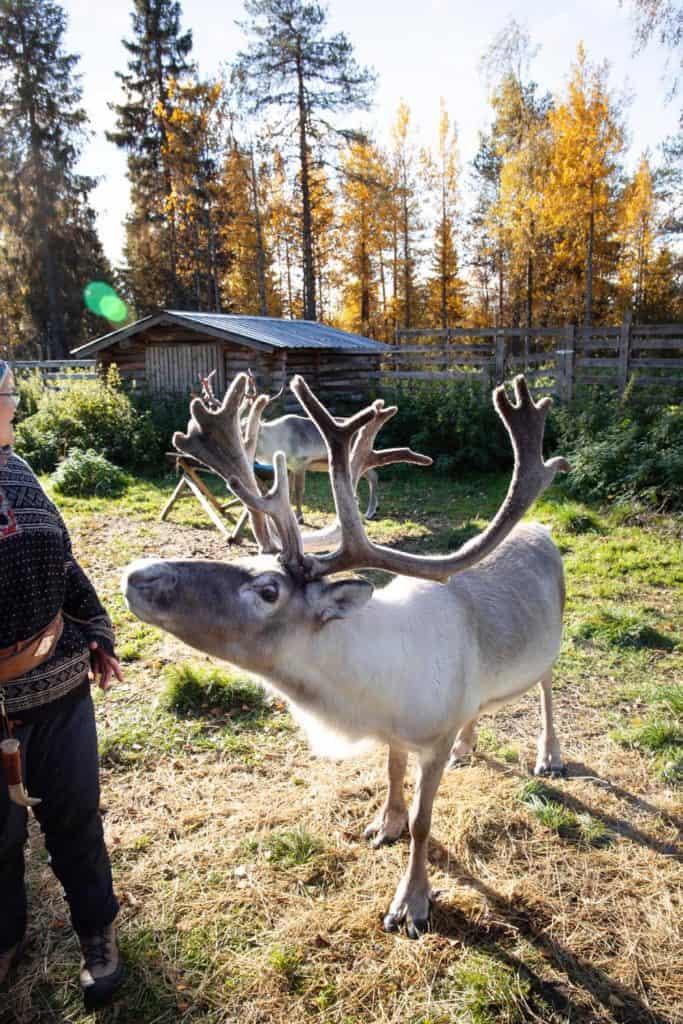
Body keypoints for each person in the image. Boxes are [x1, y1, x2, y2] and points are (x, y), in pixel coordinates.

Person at [0, 360, 124, 1010]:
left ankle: (98, 935)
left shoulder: (20, 472)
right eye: (7, 397)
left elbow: (64, 561)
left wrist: (97, 632)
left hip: (58, 685)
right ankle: (5, 939)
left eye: (12, 396)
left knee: (75, 819)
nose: (14, 408)